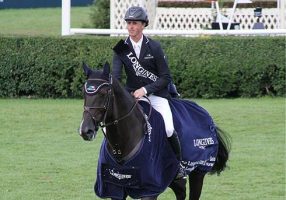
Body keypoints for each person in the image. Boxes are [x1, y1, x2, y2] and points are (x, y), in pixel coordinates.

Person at [112, 6, 185, 179]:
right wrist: (125, 95)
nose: (131, 27)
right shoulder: (121, 49)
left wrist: (145, 90)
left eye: (135, 23)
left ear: (143, 25)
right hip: (132, 98)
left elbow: (165, 78)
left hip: (157, 95)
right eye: (129, 23)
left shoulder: (154, 46)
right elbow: (115, 78)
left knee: (168, 128)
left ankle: (179, 166)